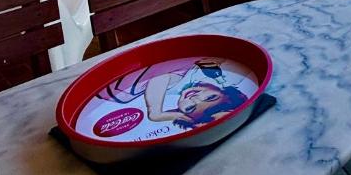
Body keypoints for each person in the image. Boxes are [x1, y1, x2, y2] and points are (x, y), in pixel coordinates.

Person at [95, 58, 249, 129]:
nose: (195, 99)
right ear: (224, 90)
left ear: (178, 110)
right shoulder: (220, 77)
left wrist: (155, 112)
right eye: (210, 97)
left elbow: (160, 78)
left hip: (112, 82)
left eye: (190, 108)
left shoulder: (175, 88)